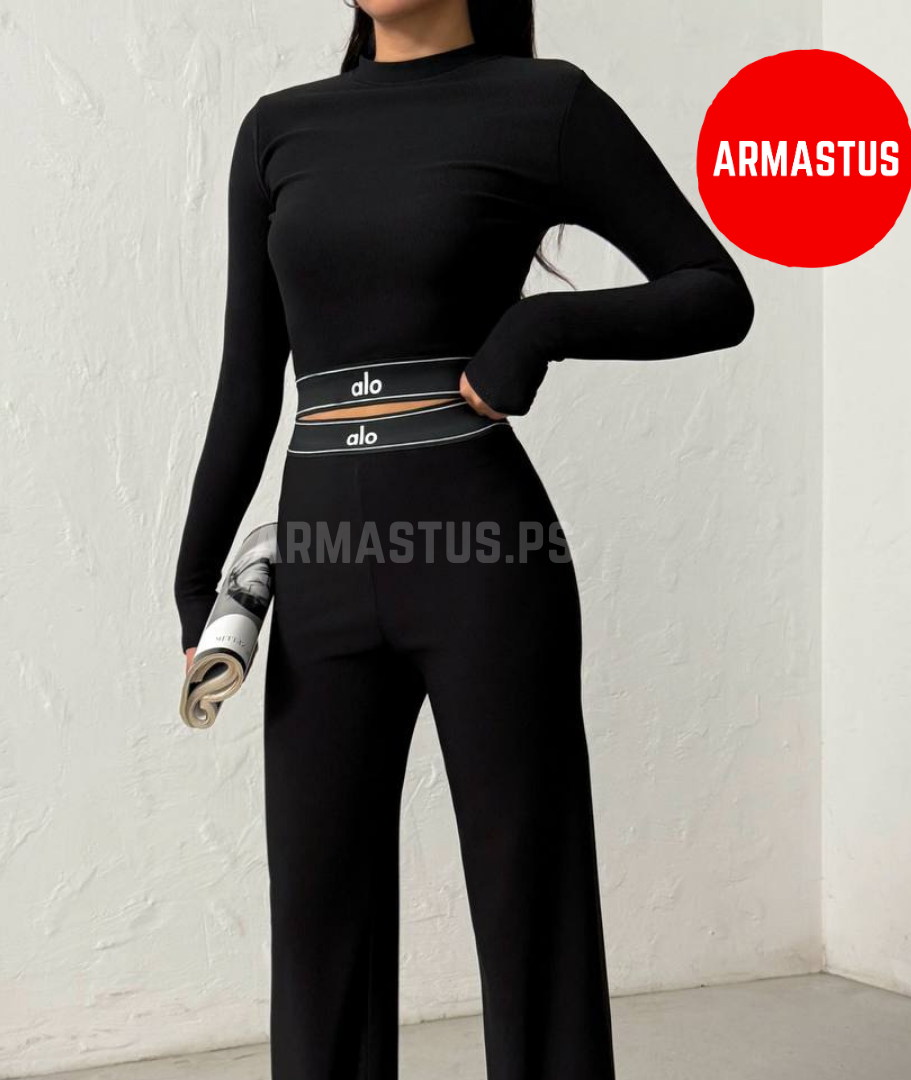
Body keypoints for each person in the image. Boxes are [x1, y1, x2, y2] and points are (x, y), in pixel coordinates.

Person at [173, 2, 754, 1077]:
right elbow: (249, 379)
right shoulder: (277, 130)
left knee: (532, 910)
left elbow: (715, 291)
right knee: (319, 931)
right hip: (322, 569)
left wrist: (539, 327)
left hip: (485, 558)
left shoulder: (544, 104)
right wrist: (196, 585)